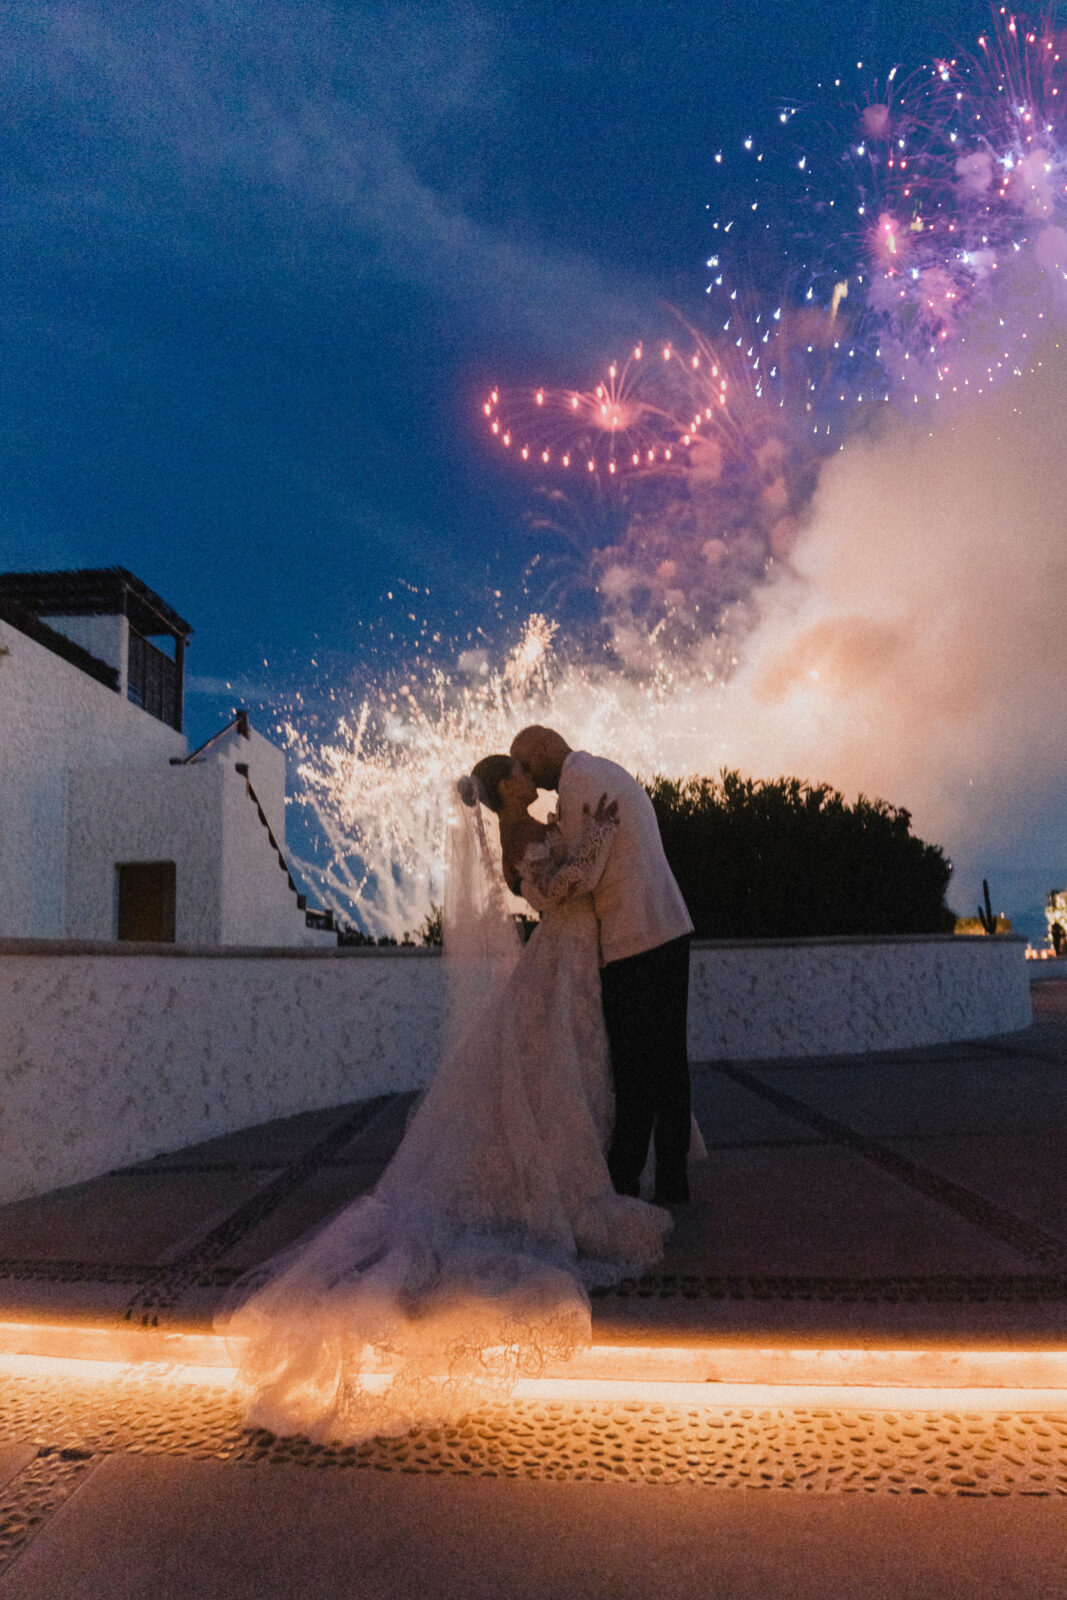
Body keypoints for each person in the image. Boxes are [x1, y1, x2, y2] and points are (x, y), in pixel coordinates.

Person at [220, 752, 671, 1443]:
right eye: (518, 772)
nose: (530, 774)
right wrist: (598, 844)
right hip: (566, 950)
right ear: (503, 790)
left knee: (574, 1067)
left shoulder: (534, 820)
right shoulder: (521, 832)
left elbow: (565, 873)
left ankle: (601, 1155)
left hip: (575, 957)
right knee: (557, 1070)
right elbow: (554, 892)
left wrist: (587, 843)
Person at [509, 726, 694, 1204]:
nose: (528, 775)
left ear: (547, 750)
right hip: (667, 924)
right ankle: (672, 1184)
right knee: (669, 1064)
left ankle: (623, 1185)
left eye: (528, 764)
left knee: (634, 1071)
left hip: (634, 939)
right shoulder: (599, 768)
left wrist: (587, 842)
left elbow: (583, 878)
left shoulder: (577, 784)